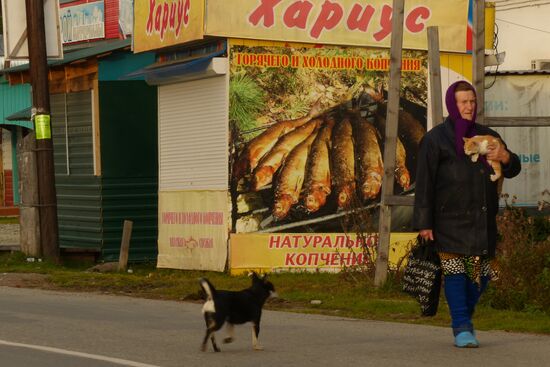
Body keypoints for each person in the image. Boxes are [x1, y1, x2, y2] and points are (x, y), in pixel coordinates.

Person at [413, 81, 521, 348]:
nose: (469, 106)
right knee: (454, 272)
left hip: (481, 220)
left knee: (481, 275)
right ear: (452, 104)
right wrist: (424, 222)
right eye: (463, 101)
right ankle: (462, 327)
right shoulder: (435, 139)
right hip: (447, 220)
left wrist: (505, 156)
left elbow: (513, 168)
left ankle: (462, 315)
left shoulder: (488, 136)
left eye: (472, 101)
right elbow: (424, 182)